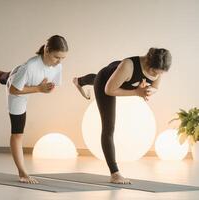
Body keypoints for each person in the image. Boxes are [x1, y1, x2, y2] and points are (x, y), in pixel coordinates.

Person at [0, 35, 68, 184]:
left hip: (22, 79)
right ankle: (22, 173)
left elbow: (50, 83)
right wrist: (38, 88)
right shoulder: (30, 66)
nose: (59, 61)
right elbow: (13, 90)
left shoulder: (57, 65)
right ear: (46, 50)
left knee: (2, 76)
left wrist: (46, 88)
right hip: (17, 89)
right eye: (57, 57)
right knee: (18, 133)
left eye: (62, 58)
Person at [73, 48, 172, 184]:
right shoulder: (129, 65)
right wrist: (138, 92)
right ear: (148, 62)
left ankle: (79, 81)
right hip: (106, 84)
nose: (156, 75)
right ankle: (115, 174)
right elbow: (109, 90)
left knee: (106, 79)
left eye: (160, 73)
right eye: (154, 72)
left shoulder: (159, 66)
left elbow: (155, 87)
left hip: (120, 78)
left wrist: (148, 91)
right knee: (108, 128)